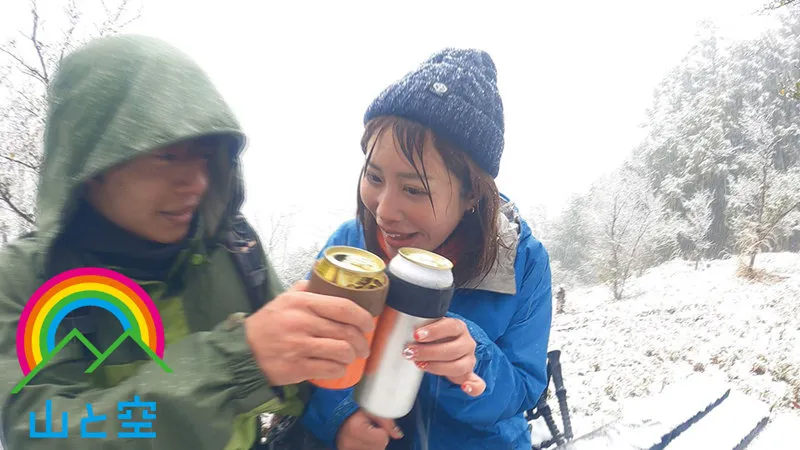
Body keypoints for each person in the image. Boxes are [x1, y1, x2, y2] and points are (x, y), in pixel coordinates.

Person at [0, 34, 373, 450]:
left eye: (204, 156)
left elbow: (299, 379)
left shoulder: (232, 248)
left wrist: (343, 409)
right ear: (93, 161)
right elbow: (42, 433)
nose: (196, 182)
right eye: (167, 156)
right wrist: (236, 365)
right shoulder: (24, 280)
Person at [301, 48, 553, 449]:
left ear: (472, 193)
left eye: (414, 189)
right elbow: (310, 358)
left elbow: (524, 387)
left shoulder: (521, 263)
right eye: (374, 177)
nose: (384, 211)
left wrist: (472, 361)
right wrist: (340, 419)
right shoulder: (351, 245)